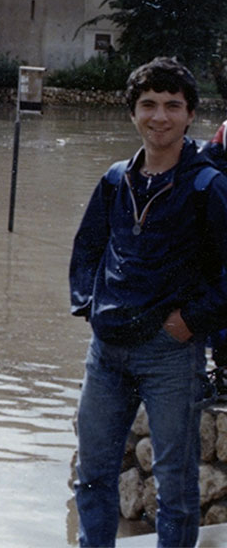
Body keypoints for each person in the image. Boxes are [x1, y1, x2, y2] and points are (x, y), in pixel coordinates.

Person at [70, 56, 227, 547]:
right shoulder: (117, 179)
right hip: (107, 352)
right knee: (93, 473)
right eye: (149, 105)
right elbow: (88, 250)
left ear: (190, 114)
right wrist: (91, 306)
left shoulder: (209, 186)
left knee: (176, 484)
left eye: (172, 106)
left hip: (169, 353)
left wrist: (190, 321)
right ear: (133, 113)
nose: (160, 116)